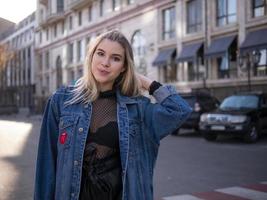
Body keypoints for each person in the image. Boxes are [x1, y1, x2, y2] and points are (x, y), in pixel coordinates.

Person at [34, 30, 192, 200]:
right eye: (100, 54)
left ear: (124, 66)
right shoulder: (62, 101)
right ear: (91, 56)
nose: (105, 63)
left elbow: (179, 110)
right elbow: (46, 165)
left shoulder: (138, 109)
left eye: (115, 58)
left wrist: (146, 82)